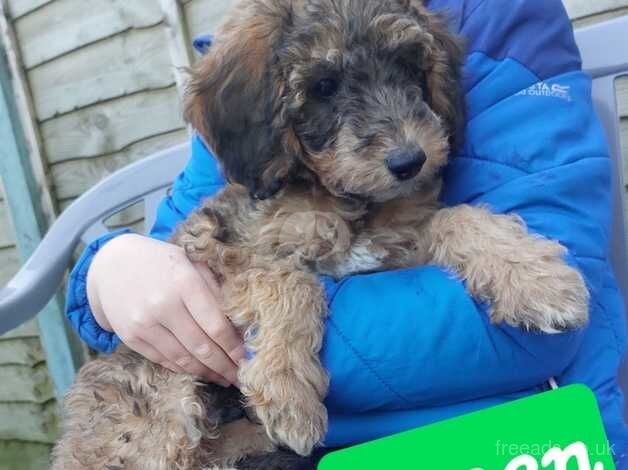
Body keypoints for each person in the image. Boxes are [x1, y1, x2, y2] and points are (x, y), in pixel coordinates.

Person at [65, 0, 628, 464]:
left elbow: (542, 320)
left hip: (486, 435)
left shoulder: (498, 19)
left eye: (408, 72)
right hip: (190, 423)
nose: (402, 141)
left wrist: (473, 237)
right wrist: (106, 266)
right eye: (327, 90)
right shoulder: (260, 112)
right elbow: (181, 274)